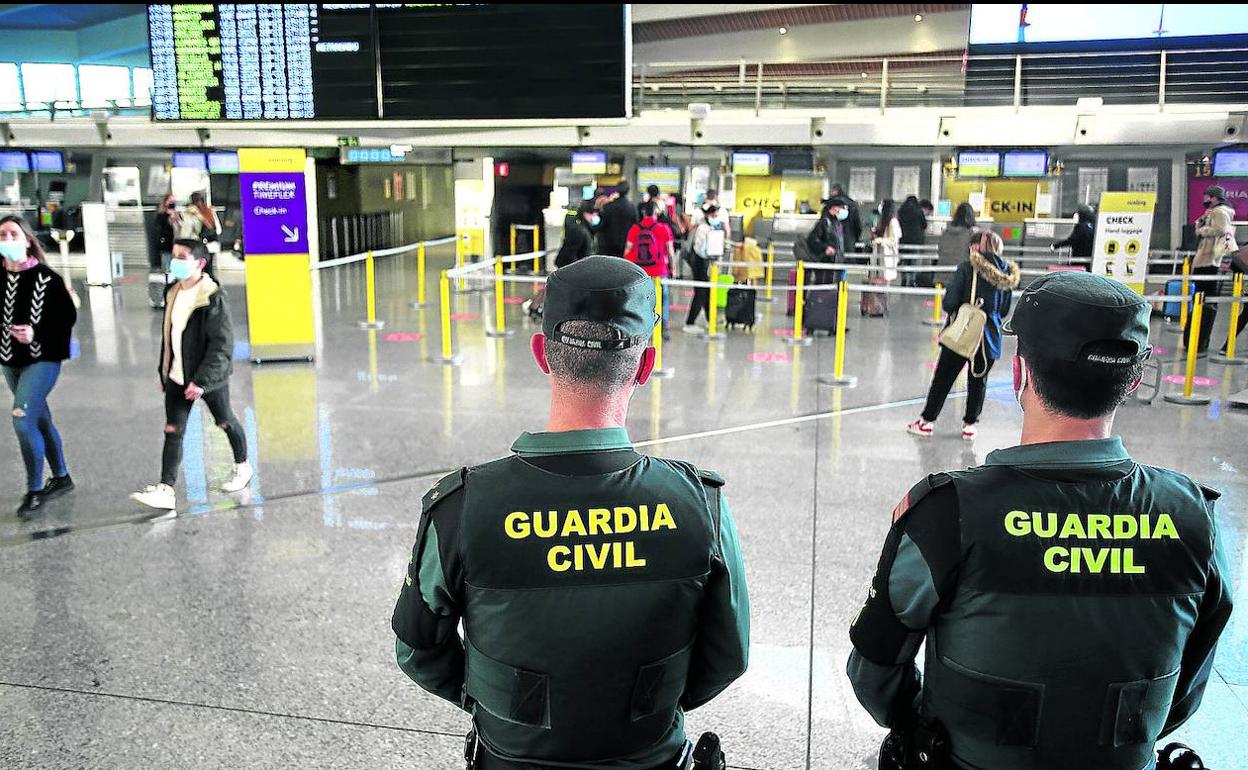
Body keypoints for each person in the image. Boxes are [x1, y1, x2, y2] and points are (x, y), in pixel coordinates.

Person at [851, 270, 1233, 770]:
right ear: (1133, 382)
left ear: (1019, 373)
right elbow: (1185, 690)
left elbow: (875, 669)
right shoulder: (1192, 517)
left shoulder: (949, 513)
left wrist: (925, 723)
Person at [391, 256, 750, 770]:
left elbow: (417, 650)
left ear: (541, 354)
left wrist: (497, 709)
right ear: (646, 366)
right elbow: (728, 656)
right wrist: (638, 716)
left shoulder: (464, 508)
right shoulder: (699, 506)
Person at [130, 239, 252, 511]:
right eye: (174, 256)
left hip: (207, 378)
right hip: (176, 375)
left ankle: (243, 465)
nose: (175, 261)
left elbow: (222, 345)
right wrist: (165, 374)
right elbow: (169, 337)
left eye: (182, 256)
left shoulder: (212, 296)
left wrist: (202, 381)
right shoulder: (172, 291)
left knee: (225, 421)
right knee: (173, 430)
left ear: (200, 263)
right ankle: (166, 489)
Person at [908, 230, 1020, 440]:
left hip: (964, 332)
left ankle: (927, 422)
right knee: (979, 380)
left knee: (943, 378)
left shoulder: (967, 268)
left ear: (978, 247)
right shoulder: (1007, 275)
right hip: (989, 337)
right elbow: (1004, 310)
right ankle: (969, 425)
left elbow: (949, 302)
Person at [0, 215, 77, 519]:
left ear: (28, 240)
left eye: (13, 234)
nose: (7, 241)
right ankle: (61, 477)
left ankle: (34, 490)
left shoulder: (47, 279)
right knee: (39, 417)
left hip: (42, 359)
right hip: (9, 361)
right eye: (2, 235)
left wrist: (36, 333)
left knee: (21, 419)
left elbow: (66, 318)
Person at [1190, 185, 1238, 352]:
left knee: (1203, 302)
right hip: (1207, 259)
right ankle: (1198, 340)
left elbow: (1221, 229)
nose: (1204, 199)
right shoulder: (1214, 211)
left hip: (1208, 260)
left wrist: (1202, 229)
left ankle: (1199, 340)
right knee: (1202, 302)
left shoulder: (1219, 212)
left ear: (1213, 197)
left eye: (1207, 196)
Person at [625, 200, 676, 337]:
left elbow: (627, 250)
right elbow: (670, 251)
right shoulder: (664, 228)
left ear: (643, 212)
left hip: (640, 272)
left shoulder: (635, 228)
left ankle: (642, 326)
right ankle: (663, 326)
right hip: (660, 271)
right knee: (662, 298)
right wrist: (674, 268)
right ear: (656, 212)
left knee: (641, 299)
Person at [683, 205, 728, 333]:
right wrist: (711, 253)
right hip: (699, 262)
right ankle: (690, 323)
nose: (716, 218)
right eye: (714, 215)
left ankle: (710, 319)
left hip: (705, 262)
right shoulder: (703, 228)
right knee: (701, 293)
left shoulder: (710, 227)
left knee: (707, 292)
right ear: (708, 215)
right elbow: (699, 249)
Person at [804, 196, 851, 284]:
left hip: (837, 261)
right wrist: (825, 248)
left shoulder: (838, 223)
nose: (843, 210)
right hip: (825, 262)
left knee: (835, 287)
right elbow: (812, 240)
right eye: (841, 208)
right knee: (823, 286)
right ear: (833, 208)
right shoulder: (824, 223)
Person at [147, 194, 180, 310]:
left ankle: (171, 296)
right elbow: (159, 232)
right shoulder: (161, 217)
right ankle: (163, 297)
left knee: (173, 274)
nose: (172, 205)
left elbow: (181, 229)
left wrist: (176, 220)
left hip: (176, 248)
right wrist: (168, 220)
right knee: (166, 273)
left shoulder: (177, 216)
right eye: (170, 202)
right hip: (166, 248)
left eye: (174, 202)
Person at [598, 181, 638, 258]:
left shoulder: (608, 207)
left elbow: (602, 226)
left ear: (617, 190)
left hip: (609, 245)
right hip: (626, 244)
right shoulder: (632, 208)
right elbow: (635, 225)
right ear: (628, 191)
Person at [554, 201, 597, 269]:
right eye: (592, 214)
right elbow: (570, 254)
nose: (594, 217)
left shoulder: (585, 228)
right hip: (571, 270)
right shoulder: (579, 231)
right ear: (585, 214)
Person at [938, 203, 977, 270]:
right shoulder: (972, 234)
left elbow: (939, 251)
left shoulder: (945, 232)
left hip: (941, 274)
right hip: (961, 275)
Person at [872, 198, 902, 284]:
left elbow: (893, 240)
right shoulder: (884, 221)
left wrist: (880, 240)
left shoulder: (893, 222)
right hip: (882, 254)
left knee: (886, 278)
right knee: (881, 278)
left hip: (889, 254)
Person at [829, 183, 863, 252]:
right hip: (849, 241)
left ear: (835, 191)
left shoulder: (830, 205)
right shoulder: (852, 205)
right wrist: (855, 238)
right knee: (848, 259)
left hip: (832, 243)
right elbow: (858, 226)